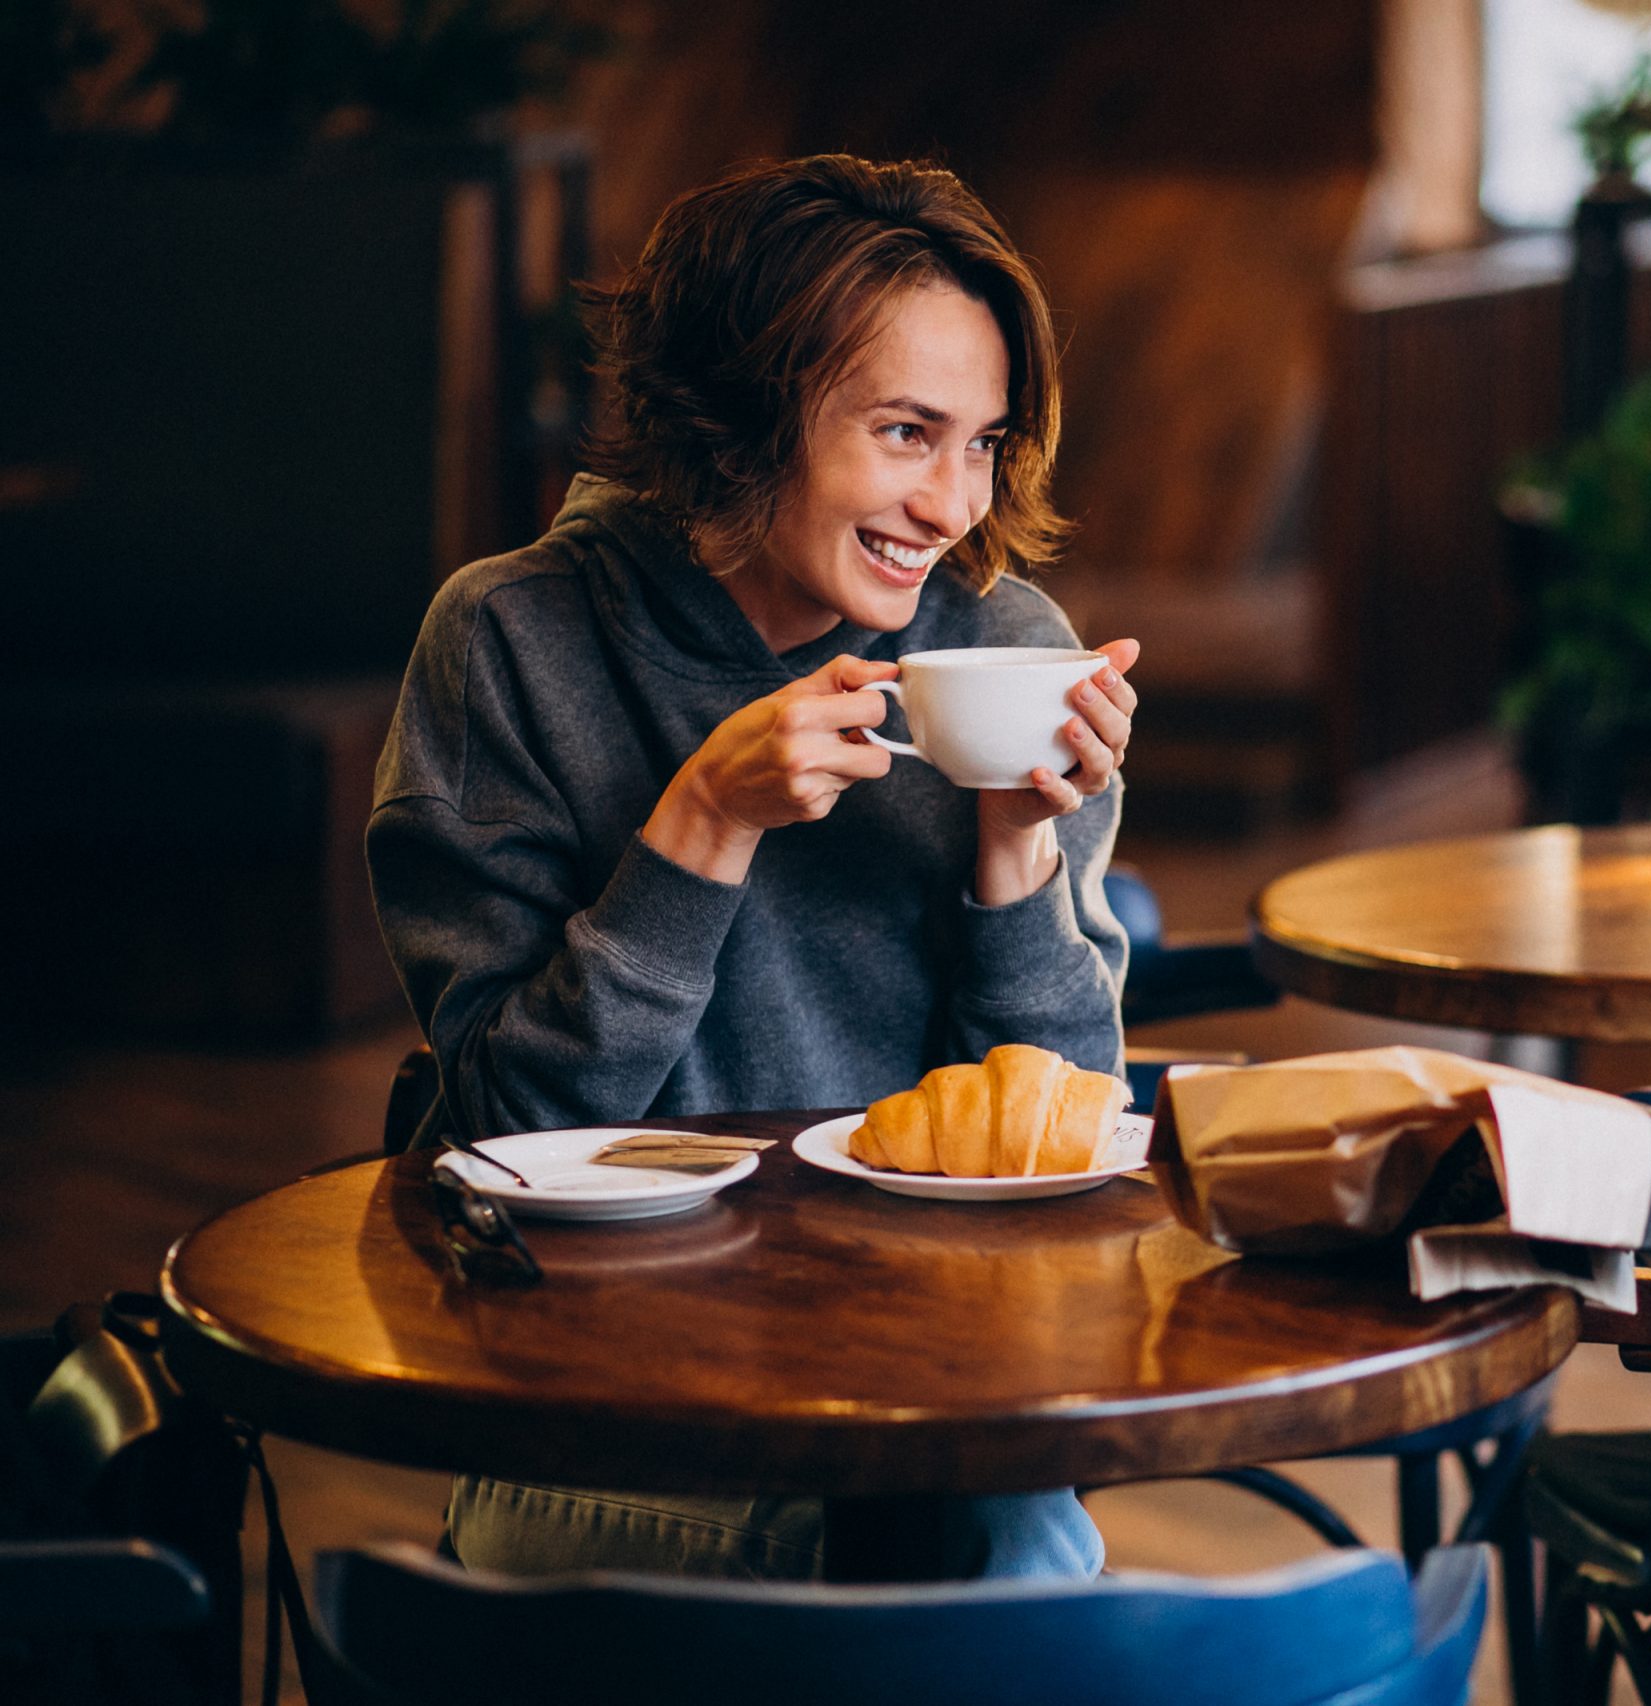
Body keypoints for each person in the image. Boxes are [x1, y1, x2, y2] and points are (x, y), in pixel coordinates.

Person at [367, 155, 1137, 1581]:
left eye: (982, 443)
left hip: (937, 1398)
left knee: (1004, 1534)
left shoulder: (1004, 644)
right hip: (606, 1416)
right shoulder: (514, 644)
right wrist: (699, 830)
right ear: (737, 417)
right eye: (908, 432)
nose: (954, 502)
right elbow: (484, 1143)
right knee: (994, 1569)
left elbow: (1064, 1128)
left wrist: (1017, 850)